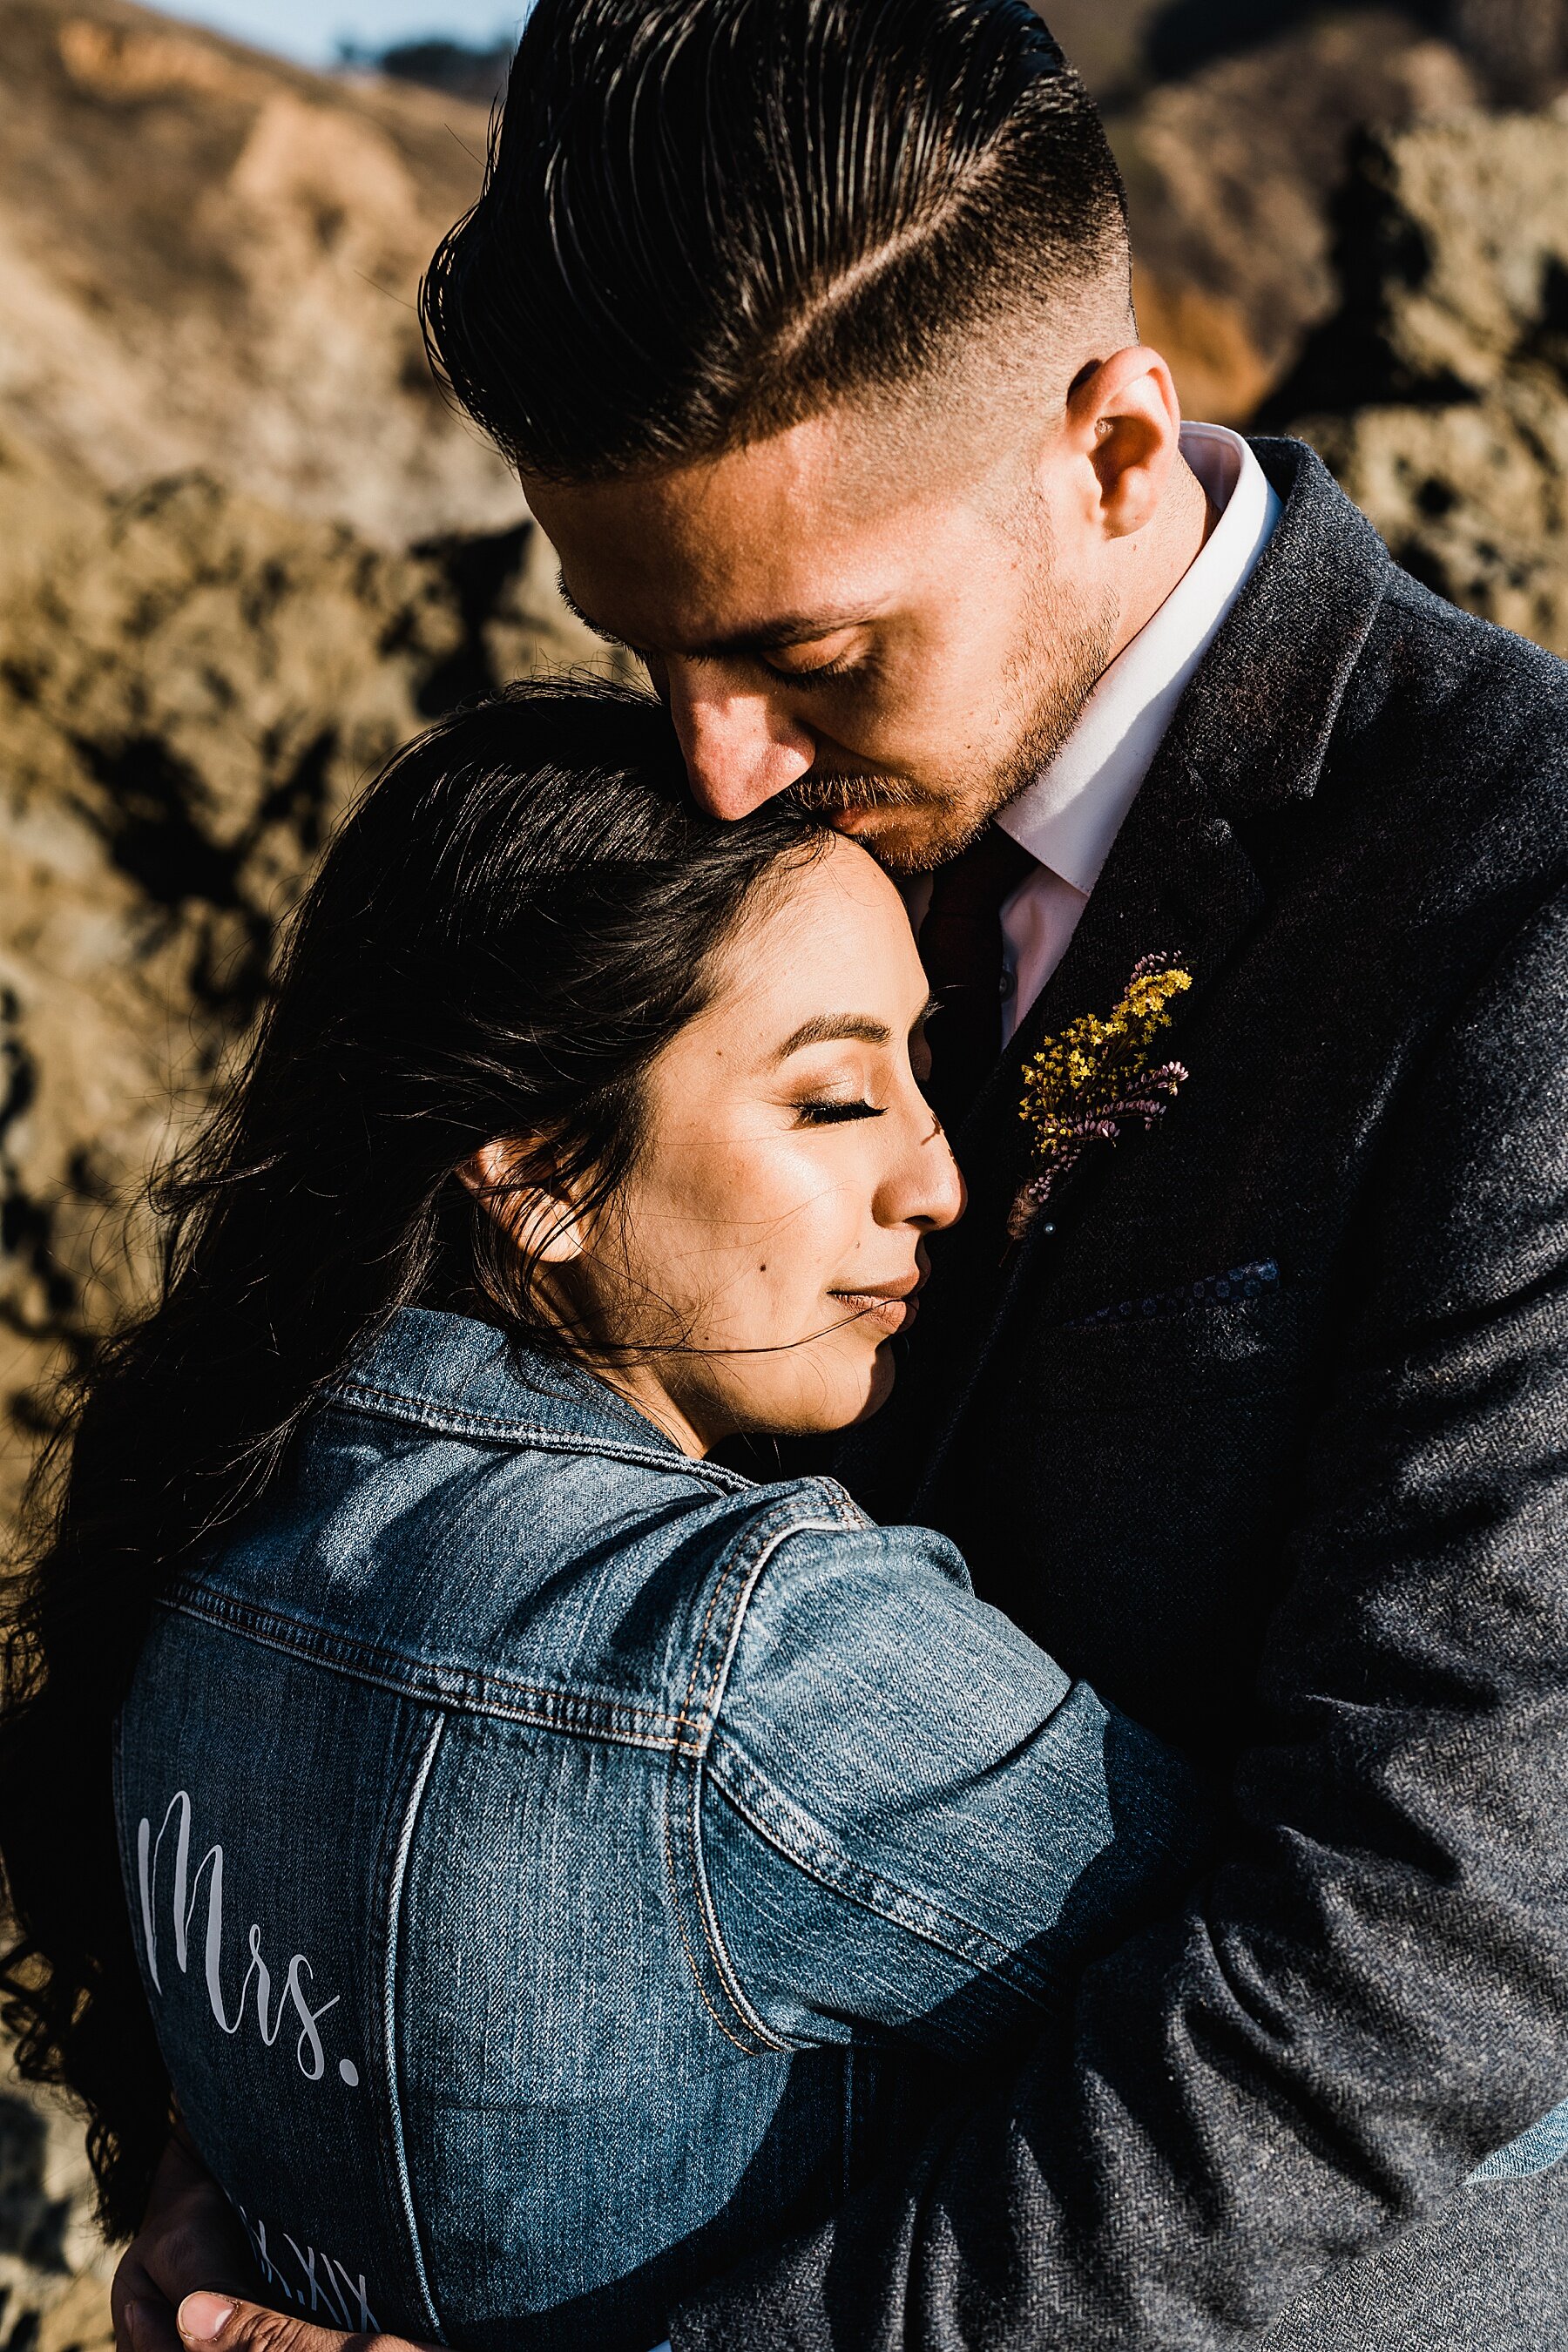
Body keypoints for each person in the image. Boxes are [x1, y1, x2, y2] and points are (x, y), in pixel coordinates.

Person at [55, 0, 1568, 2343]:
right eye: (639, 651)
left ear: (1109, 439)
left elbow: (1417, 1974)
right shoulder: (740, 832)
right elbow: (403, 1445)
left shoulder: (1512, 921)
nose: (722, 766)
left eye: (811, 652)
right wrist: (239, 2155)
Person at [0, 683, 1217, 2352]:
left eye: (920, 1071)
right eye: (835, 1099)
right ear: (544, 1168)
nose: (937, 1176)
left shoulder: (206, 1521)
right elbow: (1380, 2076)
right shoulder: (751, 1652)